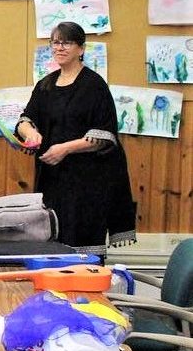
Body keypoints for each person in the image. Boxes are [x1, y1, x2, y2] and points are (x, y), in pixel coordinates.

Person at [15, 21, 135, 256]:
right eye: (55, 42)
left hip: (88, 184)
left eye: (66, 42)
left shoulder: (94, 86)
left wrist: (65, 149)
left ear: (81, 49)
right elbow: (24, 120)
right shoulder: (45, 85)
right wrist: (30, 132)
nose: (59, 47)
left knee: (82, 252)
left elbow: (105, 137)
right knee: (51, 246)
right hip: (51, 181)